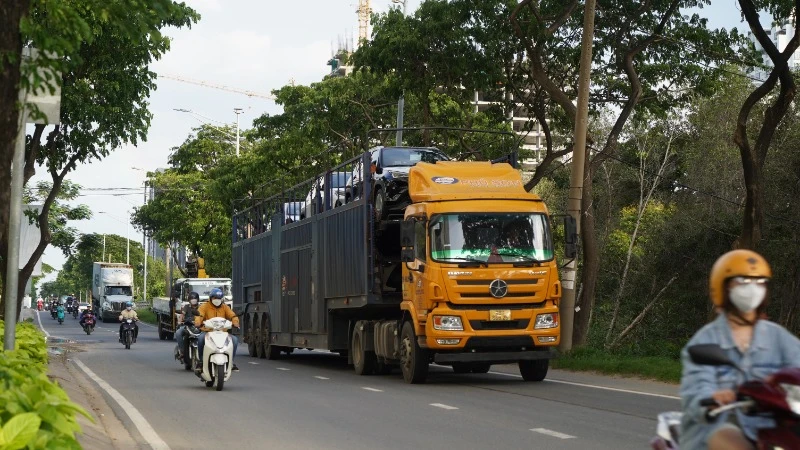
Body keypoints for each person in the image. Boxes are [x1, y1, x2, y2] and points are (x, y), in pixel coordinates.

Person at [679, 249, 800, 450]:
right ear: (723, 287)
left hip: (771, 428)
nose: (752, 288)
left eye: (759, 282)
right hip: (714, 429)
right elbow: (697, 389)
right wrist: (713, 398)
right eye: (742, 281)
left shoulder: (778, 336)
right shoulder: (705, 340)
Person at [194, 288, 239, 371]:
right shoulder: (204, 306)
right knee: (200, 339)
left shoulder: (225, 307)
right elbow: (199, 316)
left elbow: (232, 315)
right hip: (208, 332)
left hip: (222, 332)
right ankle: (201, 362)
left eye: (219, 298)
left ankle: (231, 362)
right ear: (211, 298)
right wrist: (198, 322)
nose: (217, 300)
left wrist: (235, 321)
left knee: (235, 340)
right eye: (215, 298)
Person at [175, 292, 202, 362]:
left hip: (198, 326)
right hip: (187, 325)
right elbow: (182, 315)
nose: (193, 300)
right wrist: (179, 322)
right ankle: (182, 351)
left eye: (195, 298)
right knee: (178, 333)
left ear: (198, 299)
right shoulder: (186, 307)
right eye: (192, 298)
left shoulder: (201, 307)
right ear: (189, 300)